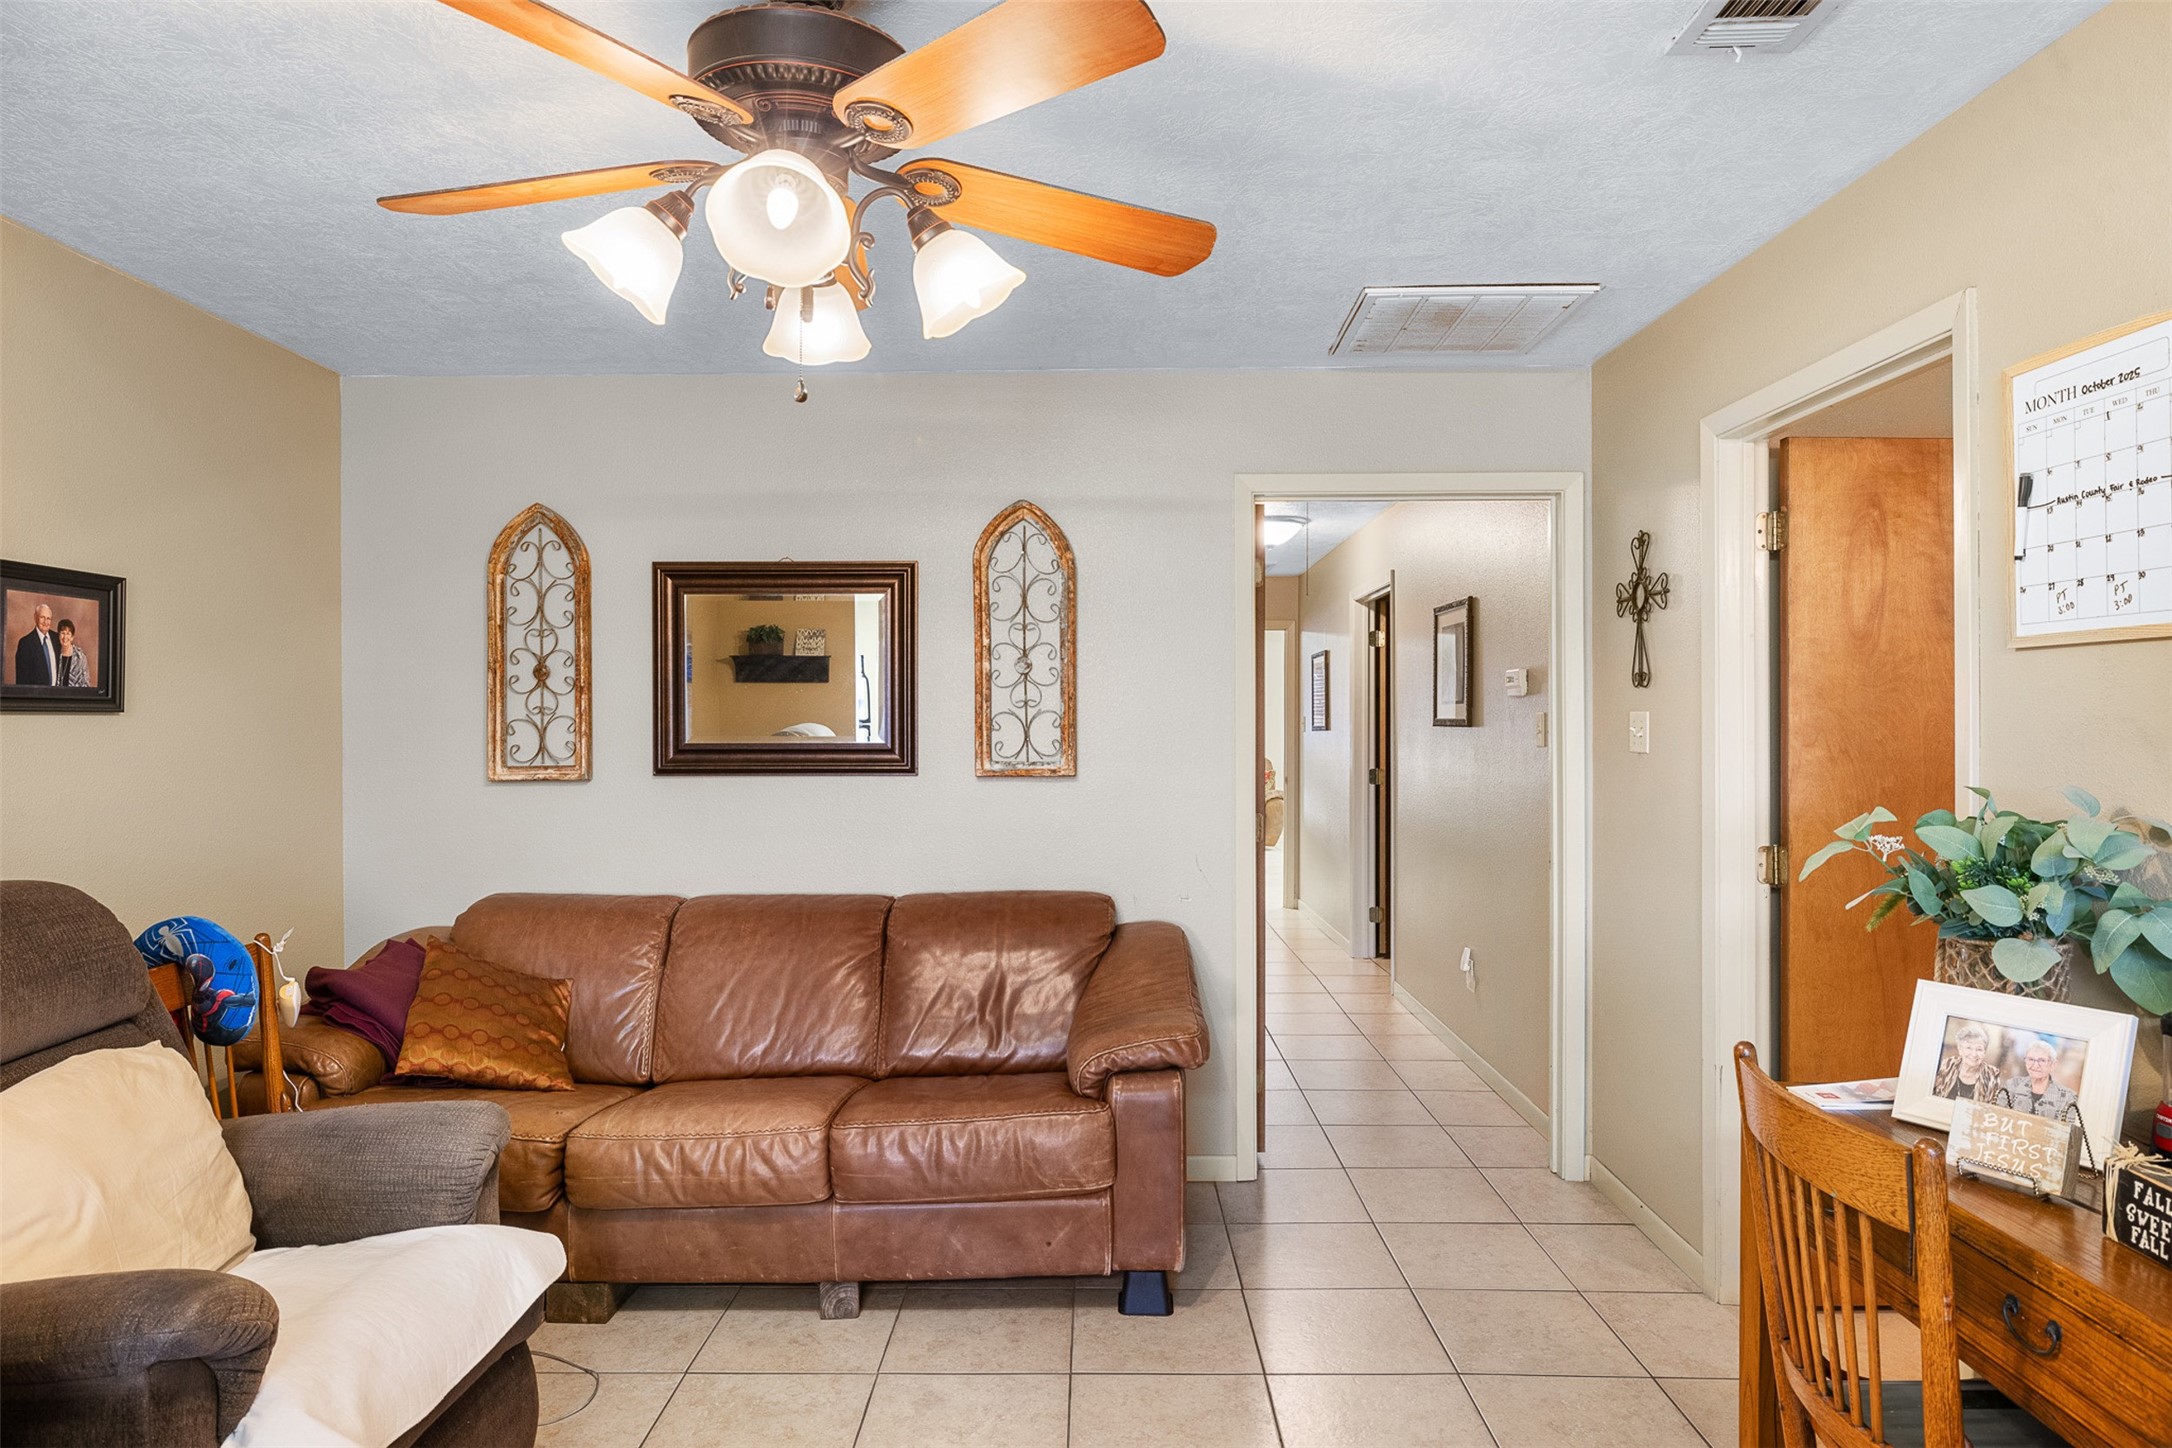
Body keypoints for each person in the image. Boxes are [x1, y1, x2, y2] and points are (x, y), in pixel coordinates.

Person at [2003, 1038, 2078, 1121]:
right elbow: (1999, 1117)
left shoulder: (2067, 1098)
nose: (2035, 1065)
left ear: (2053, 1064)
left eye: (2042, 1061)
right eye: (2031, 1059)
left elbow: (2065, 1131)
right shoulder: (2012, 1085)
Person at [1932, 1022, 1998, 1102]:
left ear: (1984, 1052)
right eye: (1968, 1048)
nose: (1974, 1054)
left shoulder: (1992, 1075)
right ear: (1960, 1050)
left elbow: (1990, 1108)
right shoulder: (1947, 1065)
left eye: (1979, 1049)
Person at [12, 602, 57, 685]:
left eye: (48, 618)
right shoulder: (25, 643)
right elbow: (22, 680)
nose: (45, 622)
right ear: (35, 617)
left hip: (58, 695)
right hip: (36, 696)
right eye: (42, 617)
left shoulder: (57, 639)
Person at [54, 619, 89, 688]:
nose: (65, 637)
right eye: (62, 633)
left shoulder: (80, 657)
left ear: (72, 637)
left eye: (68, 633)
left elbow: (85, 683)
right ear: (59, 635)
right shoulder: (54, 653)